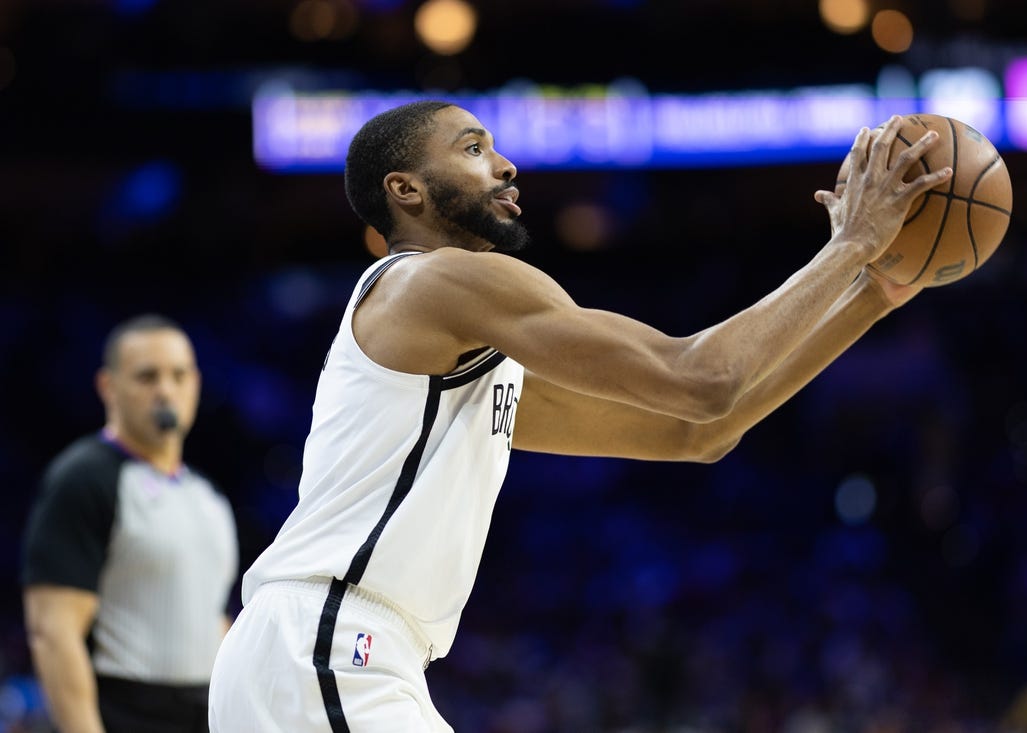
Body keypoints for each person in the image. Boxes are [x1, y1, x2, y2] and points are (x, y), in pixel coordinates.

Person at [207, 101, 952, 732]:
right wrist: (852, 244)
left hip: (337, 653)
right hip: (330, 648)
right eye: (473, 149)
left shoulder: (451, 358)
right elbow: (700, 377)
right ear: (407, 190)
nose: (506, 166)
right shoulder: (437, 282)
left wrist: (874, 291)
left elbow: (699, 431)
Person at [21, 313, 239, 733]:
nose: (165, 389)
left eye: (179, 375)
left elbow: (210, 616)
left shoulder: (207, 494)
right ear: (109, 387)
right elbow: (53, 632)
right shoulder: (83, 478)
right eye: (147, 376)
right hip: (126, 713)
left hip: (205, 711)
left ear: (195, 384)